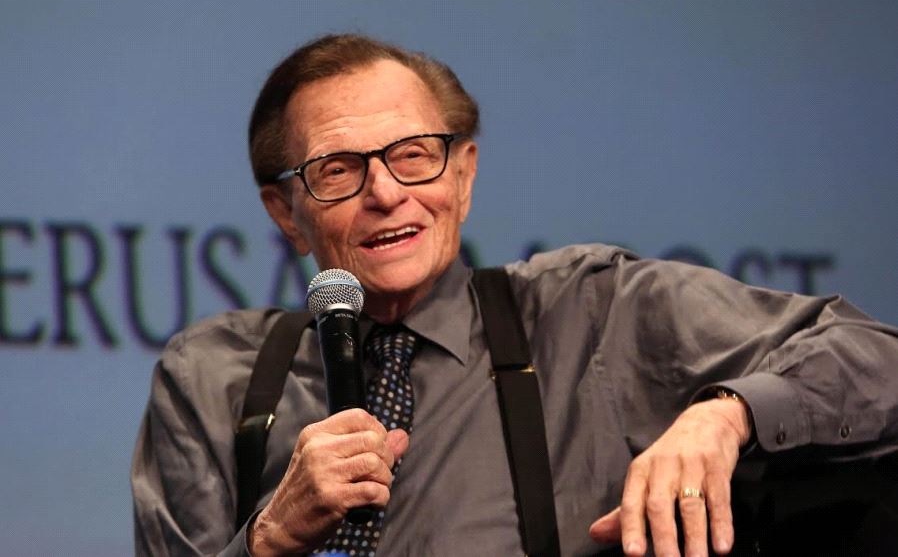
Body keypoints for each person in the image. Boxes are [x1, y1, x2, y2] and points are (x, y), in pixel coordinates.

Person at [131, 34, 898, 557]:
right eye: (338, 170)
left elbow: (875, 358)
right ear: (285, 213)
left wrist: (726, 415)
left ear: (463, 177)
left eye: (413, 155)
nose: (386, 192)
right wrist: (270, 539)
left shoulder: (591, 312)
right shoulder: (216, 377)